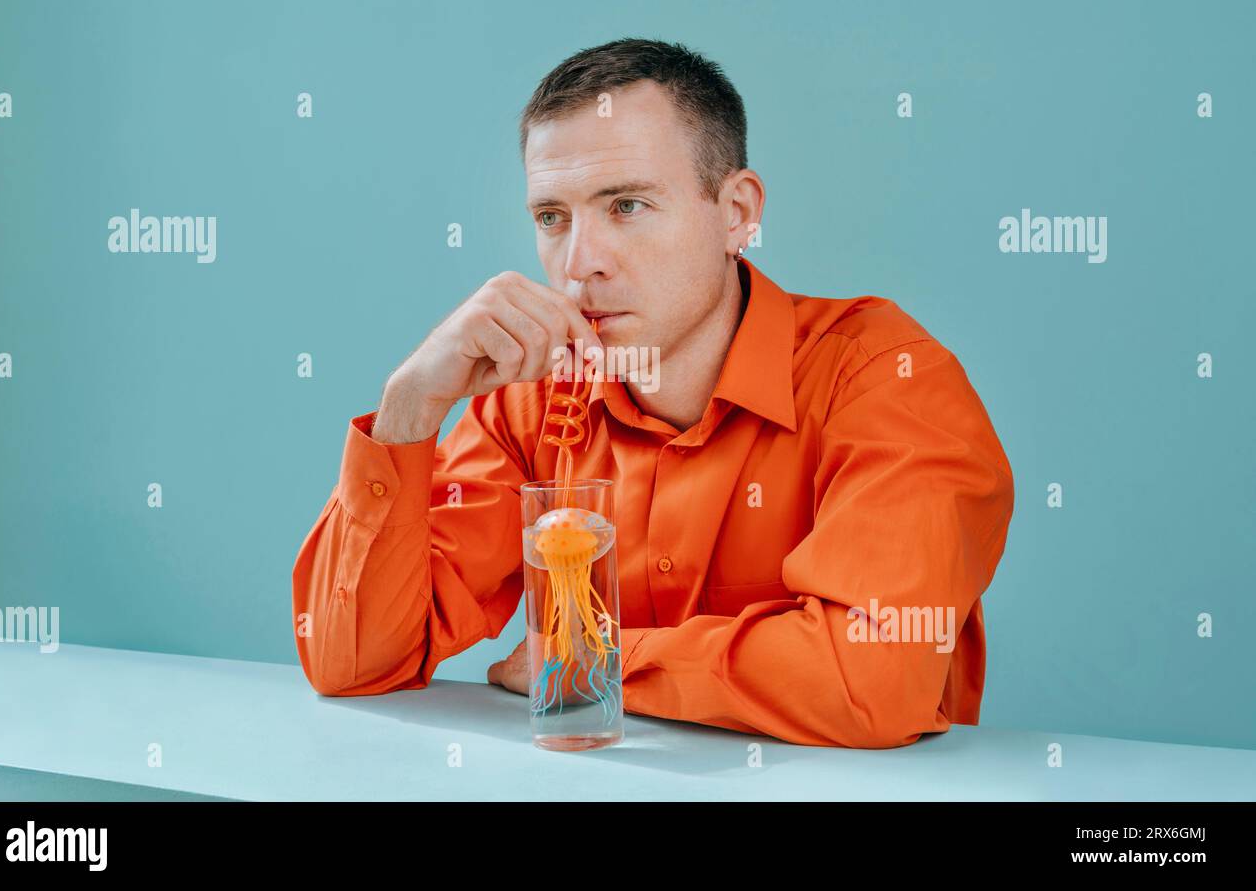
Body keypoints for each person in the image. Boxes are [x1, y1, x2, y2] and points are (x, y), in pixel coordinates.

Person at [291, 38, 1015, 748]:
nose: (580, 264)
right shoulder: (531, 399)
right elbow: (351, 661)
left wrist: (588, 661)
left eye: (627, 205)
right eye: (552, 217)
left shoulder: (886, 378)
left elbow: (871, 679)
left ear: (737, 214)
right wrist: (411, 404)